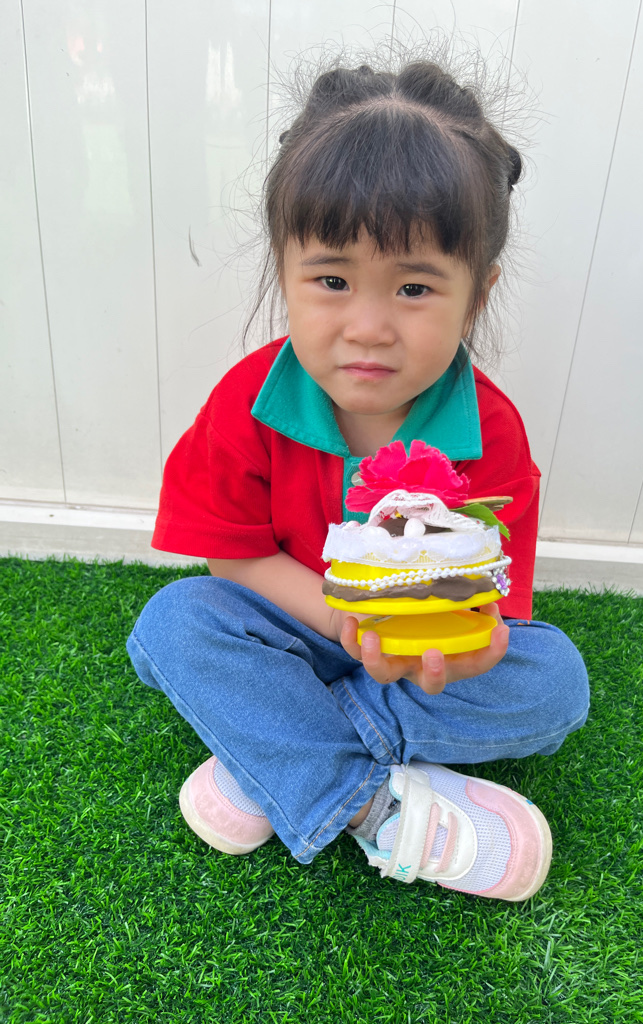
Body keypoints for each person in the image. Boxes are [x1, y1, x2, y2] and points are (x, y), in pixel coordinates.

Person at [127, 58, 589, 901]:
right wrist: (340, 618)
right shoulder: (247, 401)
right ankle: (370, 806)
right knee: (173, 624)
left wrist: (470, 647)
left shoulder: (492, 431)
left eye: (414, 287)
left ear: (477, 295)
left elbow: (488, 600)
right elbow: (233, 557)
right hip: (297, 627)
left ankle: (269, 748)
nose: (369, 327)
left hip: (415, 659)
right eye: (332, 281)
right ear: (285, 271)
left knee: (555, 682)